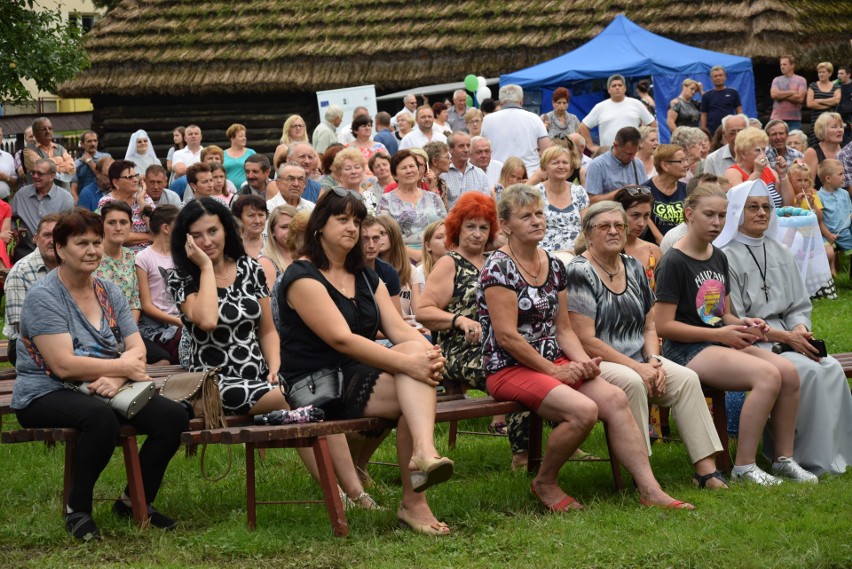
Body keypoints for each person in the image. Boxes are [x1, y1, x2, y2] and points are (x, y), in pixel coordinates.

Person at [480, 184, 693, 510]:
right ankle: (545, 481)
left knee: (615, 397)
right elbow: (507, 336)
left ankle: (650, 490)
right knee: (583, 411)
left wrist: (585, 363)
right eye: (526, 216)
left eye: (539, 213)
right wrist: (555, 370)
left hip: (554, 359)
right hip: (509, 366)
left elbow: (564, 328)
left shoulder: (551, 263)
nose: (537, 220)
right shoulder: (498, 266)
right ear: (506, 226)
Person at [279, 189, 455, 535]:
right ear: (319, 228)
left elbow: (397, 328)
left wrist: (428, 353)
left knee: (413, 363)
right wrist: (411, 364)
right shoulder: (302, 276)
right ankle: (415, 499)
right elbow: (341, 339)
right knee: (411, 376)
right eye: (342, 220)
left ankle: (423, 455)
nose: (352, 228)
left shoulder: (364, 275)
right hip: (315, 382)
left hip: (358, 371)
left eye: (357, 221)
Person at [13, 209, 187, 539]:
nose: (92, 250)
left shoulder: (109, 291)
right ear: (61, 248)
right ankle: (77, 509)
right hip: (45, 391)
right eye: (82, 243)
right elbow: (63, 364)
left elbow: (137, 348)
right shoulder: (44, 297)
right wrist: (122, 367)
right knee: (100, 419)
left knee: (173, 418)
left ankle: (134, 501)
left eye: (96, 242)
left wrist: (120, 377)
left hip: (105, 384)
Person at [654, 182, 815, 484]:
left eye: (722, 216)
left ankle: (782, 459)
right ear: (689, 214)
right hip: (687, 350)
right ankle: (744, 467)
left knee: (788, 372)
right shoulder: (674, 261)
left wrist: (746, 324)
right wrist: (720, 335)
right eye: (709, 215)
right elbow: (663, 326)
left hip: (718, 341)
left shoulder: (718, 256)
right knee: (767, 376)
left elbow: (723, 314)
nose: (717, 223)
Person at [567, 201, 725, 488]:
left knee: (688, 379)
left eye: (619, 225)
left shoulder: (633, 267)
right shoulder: (580, 271)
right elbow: (586, 339)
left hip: (641, 357)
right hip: (601, 363)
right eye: (604, 226)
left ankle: (706, 470)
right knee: (633, 382)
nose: (614, 231)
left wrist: (652, 360)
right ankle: (643, 475)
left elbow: (650, 325)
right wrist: (638, 367)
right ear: (588, 234)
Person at [717, 180, 852, 476]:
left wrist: (801, 330)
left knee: (829, 368)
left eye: (766, 207)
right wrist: (787, 337)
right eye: (753, 207)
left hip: (788, 334)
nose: (762, 213)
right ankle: (795, 455)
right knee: (809, 373)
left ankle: (836, 452)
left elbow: (798, 304)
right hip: (752, 340)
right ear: (738, 212)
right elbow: (736, 317)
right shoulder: (724, 255)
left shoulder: (781, 250)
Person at [417, 194, 508, 433]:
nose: (477, 233)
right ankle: (512, 439)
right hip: (458, 350)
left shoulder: (495, 262)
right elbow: (423, 312)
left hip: (500, 344)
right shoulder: (450, 263)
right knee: (512, 373)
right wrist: (458, 320)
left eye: (483, 227)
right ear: (457, 228)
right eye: (470, 226)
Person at [3, 214, 60, 366]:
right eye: (47, 235)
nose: (52, 241)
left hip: (65, 337)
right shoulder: (20, 272)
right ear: (35, 239)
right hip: (25, 344)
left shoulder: (70, 266)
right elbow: (23, 326)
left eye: (57, 235)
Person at [377, 150, 447, 263]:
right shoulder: (386, 200)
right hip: (403, 257)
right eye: (404, 168)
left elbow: (445, 228)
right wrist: (415, 254)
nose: (409, 170)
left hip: (437, 254)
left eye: (412, 166)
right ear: (395, 174)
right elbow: (384, 235)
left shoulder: (433, 198)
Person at [136, 205, 182, 364]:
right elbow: (146, 305)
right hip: (157, 327)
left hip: (181, 321)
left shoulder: (182, 254)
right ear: (166, 228)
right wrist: (178, 321)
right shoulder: (143, 258)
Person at [482, 85, 551, 173]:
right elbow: (547, 151)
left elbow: (481, 148)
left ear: (501, 102)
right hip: (529, 175)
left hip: (498, 175)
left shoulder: (487, 120)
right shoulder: (535, 118)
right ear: (521, 101)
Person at [579, 75, 657, 153]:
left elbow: (652, 123)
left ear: (625, 88)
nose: (617, 88)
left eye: (620, 85)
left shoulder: (636, 104)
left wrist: (645, 143)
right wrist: (590, 146)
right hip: (608, 154)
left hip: (633, 153)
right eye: (614, 86)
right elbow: (583, 126)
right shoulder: (600, 107)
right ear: (609, 90)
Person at [534, 145, 589, 253]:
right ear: (545, 168)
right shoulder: (535, 193)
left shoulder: (579, 192)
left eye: (565, 162)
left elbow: (587, 227)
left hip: (576, 254)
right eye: (555, 163)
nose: (561, 166)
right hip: (544, 254)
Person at [724, 127, 792, 207]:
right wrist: (757, 172)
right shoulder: (733, 172)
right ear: (743, 154)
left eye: (764, 149)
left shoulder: (768, 171)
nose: (763, 154)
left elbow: (789, 204)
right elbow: (739, 201)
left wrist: (783, 175)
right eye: (758, 150)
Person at [97, 159, 153, 251]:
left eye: (136, 176)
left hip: (149, 253)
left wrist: (142, 203)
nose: (135, 180)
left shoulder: (143, 197)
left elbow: (156, 229)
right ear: (116, 182)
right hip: (121, 255)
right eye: (129, 177)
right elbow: (118, 236)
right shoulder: (107, 202)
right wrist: (149, 237)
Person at [612, 186, 662, 287]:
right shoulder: (605, 249)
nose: (641, 223)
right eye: (635, 215)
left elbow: (660, 295)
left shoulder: (653, 251)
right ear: (619, 213)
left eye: (646, 216)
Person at [11, 158, 75, 235]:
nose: (35, 176)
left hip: (54, 245)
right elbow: (9, 217)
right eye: (33, 172)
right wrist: (14, 230)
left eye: (40, 173)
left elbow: (69, 228)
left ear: (52, 176)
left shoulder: (65, 198)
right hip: (27, 246)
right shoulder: (21, 195)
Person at [645, 144, 689, 243]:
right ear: (665, 165)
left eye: (686, 160)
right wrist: (667, 246)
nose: (686, 164)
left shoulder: (688, 190)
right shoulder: (645, 191)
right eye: (681, 161)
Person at [817, 159, 852, 253]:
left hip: (846, 231)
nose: (844, 177)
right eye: (840, 174)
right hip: (831, 234)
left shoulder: (844, 193)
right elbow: (819, 220)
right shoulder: (819, 197)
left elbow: (850, 213)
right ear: (828, 179)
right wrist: (828, 235)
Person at [259, 204, 298, 289]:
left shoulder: (309, 257)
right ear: (272, 231)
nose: (290, 232)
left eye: (294, 226)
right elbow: (270, 301)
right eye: (284, 227)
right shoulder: (265, 262)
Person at [328, 148, 377, 214]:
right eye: (348, 169)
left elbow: (372, 219)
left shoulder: (369, 195)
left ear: (363, 170)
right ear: (339, 174)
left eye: (357, 167)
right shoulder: (333, 195)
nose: (354, 172)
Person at [803, 112, 845, 190]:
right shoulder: (812, 152)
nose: (840, 130)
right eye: (834, 127)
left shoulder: (847, 150)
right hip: (820, 199)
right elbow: (808, 185)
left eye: (841, 126)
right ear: (822, 130)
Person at [700, 66, 743, 134]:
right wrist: (703, 131)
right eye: (715, 76)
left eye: (720, 75)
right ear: (711, 79)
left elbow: (739, 111)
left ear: (725, 77)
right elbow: (703, 115)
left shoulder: (733, 92)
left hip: (729, 131)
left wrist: (740, 126)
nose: (718, 78)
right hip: (711, 131)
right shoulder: (706, 95)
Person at [806, 62, 841, 146]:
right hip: (816, 119)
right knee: (816, 143)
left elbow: (836, 100)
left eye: (823, 72)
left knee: (830, 141)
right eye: (819, 72)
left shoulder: (836, 87)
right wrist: (828, 105)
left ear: (830, 73)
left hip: (831, 121)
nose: (821, 74)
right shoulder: (813, 86)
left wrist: (819, 100)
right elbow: (810, 103)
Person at [770, 55, 807, 130]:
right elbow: (774, 95)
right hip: (777, 118)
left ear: (792, 65)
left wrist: (781, 95)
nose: (782, 67)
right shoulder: (776, 80)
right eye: (781, 65)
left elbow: (800, 98)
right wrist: (792, 92)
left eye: (784, 64)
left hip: (794, 119)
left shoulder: (801, 80)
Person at [231, 194, 267, 259]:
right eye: (251, 215)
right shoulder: (232, 245)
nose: (257, 221)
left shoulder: (272, 243)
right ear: (239, 218)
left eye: (261, 215)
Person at [414, 219, 446, 290]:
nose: (446, 240)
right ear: (428, 246)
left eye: (450, 236)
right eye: (439, 237)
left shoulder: (464, 270)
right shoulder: (418, 274)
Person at [223, 123, 256, 189]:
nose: (244, 138)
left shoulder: (251, 153)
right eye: (241, 136)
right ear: (232, 139)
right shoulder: (222, 154)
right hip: (227, 190)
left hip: (248, 189)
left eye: (245, 136)